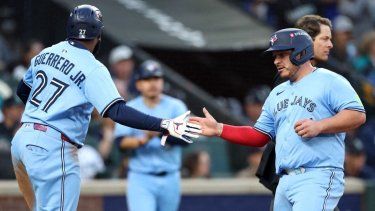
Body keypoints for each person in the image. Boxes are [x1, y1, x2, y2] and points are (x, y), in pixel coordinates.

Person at [10, 5, 200, 211]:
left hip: (22, 140)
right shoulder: (93, 67)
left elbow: (22, 90)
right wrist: (163, 124)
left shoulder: (46, 53)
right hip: (53, 146)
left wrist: (46, 113)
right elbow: (116, 111)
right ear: (98, 35)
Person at [191, 28, 366, 210]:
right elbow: (260, 135)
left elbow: (357, 115)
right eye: (275, 56)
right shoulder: (277, 92)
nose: (276, 61)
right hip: (284, 180)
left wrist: (320, 126)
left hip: (317, 175)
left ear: (300, 52)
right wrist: (219, 129)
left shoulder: (329, 80)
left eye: (282, 55)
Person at [255, 14, 335, 198]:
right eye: (324, 39)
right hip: (293, 170)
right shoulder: (287, 79)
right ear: (306, 41)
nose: (330, 44)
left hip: (307, 171)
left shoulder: (324, 78)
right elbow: (282, 127)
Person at [113, 60, 189, 211]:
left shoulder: (176, 106)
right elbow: (119, 142)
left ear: (162, 81)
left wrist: (160, 132)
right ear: (138, 84)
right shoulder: (130, 108)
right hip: (141, 177)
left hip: (170, 176)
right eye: (147, 79)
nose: (152, 83)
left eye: (156, 78)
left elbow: (186, 139)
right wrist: (144, 139)